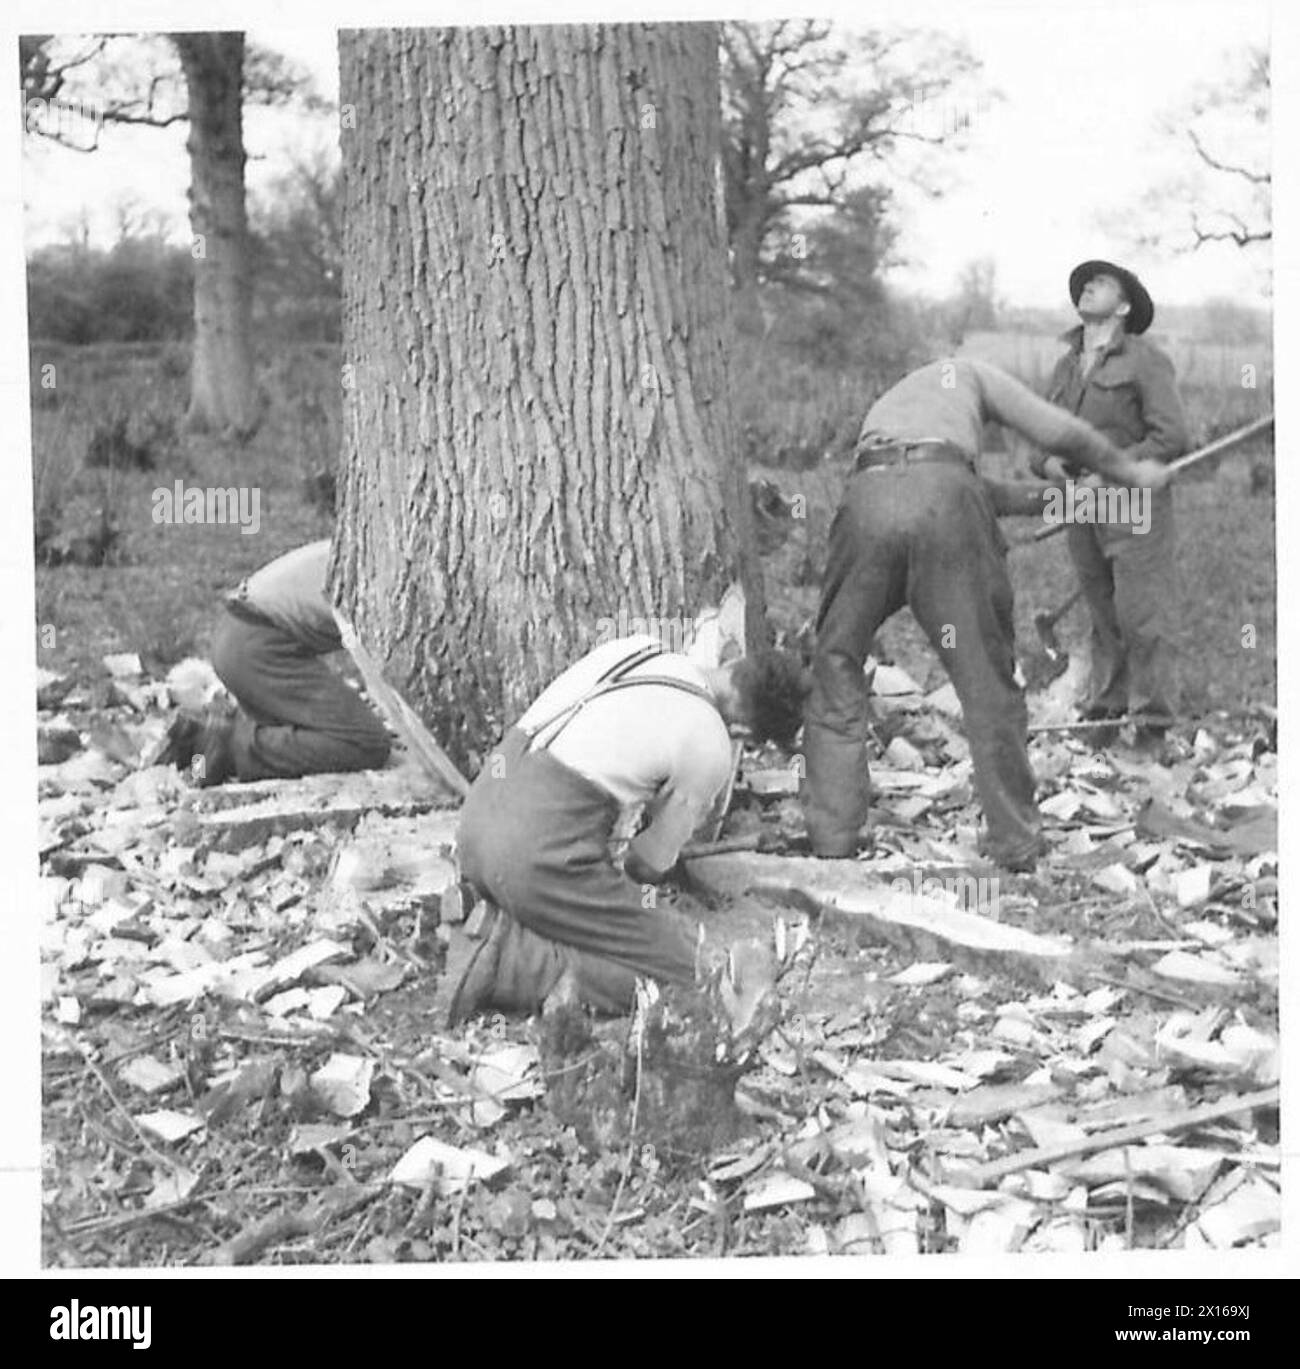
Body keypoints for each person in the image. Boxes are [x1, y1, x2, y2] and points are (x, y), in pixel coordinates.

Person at [801, 357, 1170, 873]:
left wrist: (1073, 500)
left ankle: (832, 838)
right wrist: (1129, 471)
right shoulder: (971, 373)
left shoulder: (901, 408)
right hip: (946, 508)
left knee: (836, 662)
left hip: (867, 501)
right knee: (986, 682)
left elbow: (961, 485)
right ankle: (1015, 844)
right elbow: (1059, 432)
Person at [440, 633, 807, 1023]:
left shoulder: (639, 647)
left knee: (573, 901)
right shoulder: (710, 744)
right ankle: (509, 959)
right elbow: (646, 865)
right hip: (533, 851)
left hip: (478, 820)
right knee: (683, 973)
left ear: (736, 665)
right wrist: (644, 905)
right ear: (746, 735)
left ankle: (487, 909)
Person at [1031, 260, 1189, 749]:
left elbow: (1172, 435)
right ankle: (1106, 709)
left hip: (1132, 501)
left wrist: (1113, 471)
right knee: (1102, 613)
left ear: (1123, 306)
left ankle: (1152, 726)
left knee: (1141, 614)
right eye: (1082, 283)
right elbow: (1041, 433)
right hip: (1080, 504)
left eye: (1099, 283)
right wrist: (1049, 466)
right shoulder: (1065, 364)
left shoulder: (1144, 360)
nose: (1087, 286)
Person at [173, 540, 392, 785]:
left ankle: (200, 758)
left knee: (302, 735)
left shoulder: (368, 543)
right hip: (255, 646)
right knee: (365, 742)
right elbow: (380, 668)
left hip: (239, 634)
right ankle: (225, 744)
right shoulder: (385, 572)